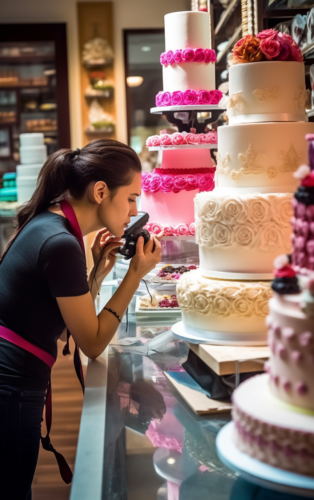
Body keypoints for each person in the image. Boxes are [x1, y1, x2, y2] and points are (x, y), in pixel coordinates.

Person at [0, 139, 161, 500]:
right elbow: (91, 342)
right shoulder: (60, 244)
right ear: (101, 191)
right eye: (132, 198)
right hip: (11, 391)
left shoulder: (50, 223)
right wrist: (135, 274)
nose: (134, 211)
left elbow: (57, 323)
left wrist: (97, 278)